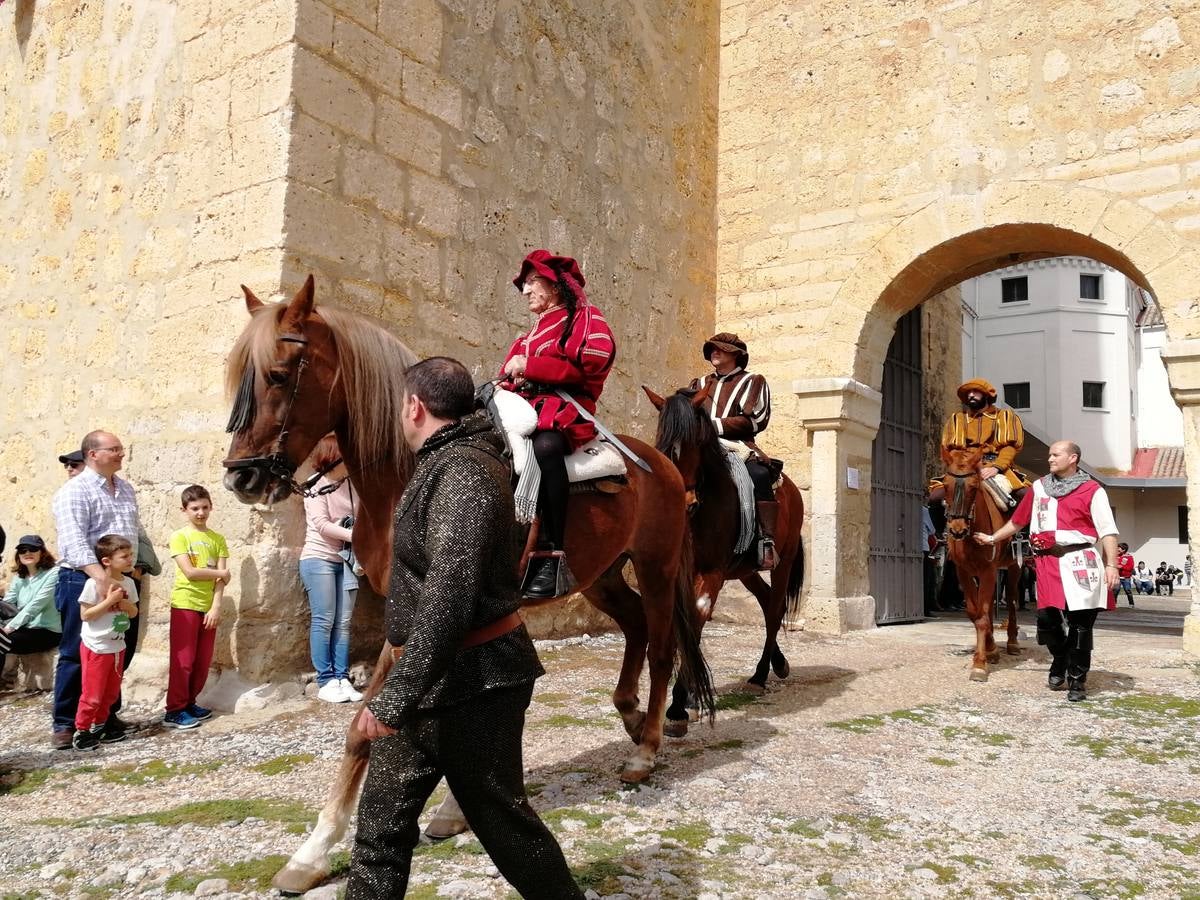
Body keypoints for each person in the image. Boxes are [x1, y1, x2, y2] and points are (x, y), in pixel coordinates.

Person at [348, 357, 582, 900]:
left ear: (415, 406)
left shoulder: (465, 472)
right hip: (431, 674)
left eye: (397, 408)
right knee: (380, 828)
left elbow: (450, 594)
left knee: (503, 824)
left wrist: (394, 695)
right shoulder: (439, 462)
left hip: (478, 680)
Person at [499, 249, 615, 600]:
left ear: (554, 286)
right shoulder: (527, 335)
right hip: (524, 407)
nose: (525, 291)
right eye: (526, 284)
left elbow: (584, 369)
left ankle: (551, 549)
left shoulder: (583, 321)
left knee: (546, 447)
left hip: (564, 409)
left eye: (532, 282)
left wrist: (529, 366)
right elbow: (508, 373)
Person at [974, 440, 1118, 702]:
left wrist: (1112, 565)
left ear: (1073, 458)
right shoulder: (1039, 487)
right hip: (1047, 563)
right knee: (1048, 622)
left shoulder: (1092, 490)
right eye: (1049, 454)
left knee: (1081, 625)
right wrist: (993, 538)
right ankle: (1061, 657)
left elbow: (1107, 530)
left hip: (1080, 560)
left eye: (1055, 455)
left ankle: (1077, 680)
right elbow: (1018, 521)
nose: (1050, 459)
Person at [50, 431, 141, 749]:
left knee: (118, 648)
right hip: (83, 579)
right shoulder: (75, 491)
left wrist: (134, 569)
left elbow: (132, 533)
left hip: (122, 580)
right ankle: (65, 722)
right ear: (92, 454)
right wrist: (101, 578)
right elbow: (73, 540)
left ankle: (104, 717)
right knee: (77, 653)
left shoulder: (126, 489)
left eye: (121, 448)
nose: (121, 454)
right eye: (114, 449)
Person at [690, 333, 779, 569]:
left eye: (720, 349)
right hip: (702, 445)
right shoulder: (698, 384)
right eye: (712, 349)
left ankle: (765, 541)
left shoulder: (753, 381)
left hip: (738, 445)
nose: (714, 352)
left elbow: (755, 421)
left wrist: (713, 426)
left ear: (736, 355)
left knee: (758, 476)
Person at [299, 435, 363, 704]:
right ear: (331, 458)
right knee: (324, 620)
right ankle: (325, 679)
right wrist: (358, 537)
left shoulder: (350, 484)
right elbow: (323, 525)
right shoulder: (314, 486)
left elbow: (360, 517)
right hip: (319, 559)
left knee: (344, 623)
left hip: (346, 561)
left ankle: (341, 677)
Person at [164, 485, 231, 729]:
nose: (200, 513)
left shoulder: (217, 539)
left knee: (202, 661)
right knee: (183, 660)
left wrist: (215, 607)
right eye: (194, 508)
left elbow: (221, 581)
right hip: (185, 604)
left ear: (211, 507)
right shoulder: (179, 536)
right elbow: (191, 572)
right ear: (185, 510)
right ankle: (174, 710)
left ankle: (190, 702)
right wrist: (221, 572)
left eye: (204, 507)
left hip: (207, 607)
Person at [73, 534, 139, 751]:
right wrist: (109, 601)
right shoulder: (93, 584)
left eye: (130, 555)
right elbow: (85, 615)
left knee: (111, 692)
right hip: (97, 647)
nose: (130, 559)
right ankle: (81, 731)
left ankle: (99, 728)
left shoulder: (129, 582)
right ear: (107, 561)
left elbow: (133, 612)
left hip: (117, 645)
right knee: (92, 694)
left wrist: (126, 605)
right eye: (124, 556)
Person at [929, 379, 1031, 507]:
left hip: (995, 465)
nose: (971, 395)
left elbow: (1009, 447)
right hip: (964, 468)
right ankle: (938, 528)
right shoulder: (957, 419)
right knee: (935, 498)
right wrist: (963, 467)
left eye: (975, 391)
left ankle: (1027, 527)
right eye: (969, 393)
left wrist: (996, 467)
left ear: (987, 395)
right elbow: (953, 450)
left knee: (1027, 496)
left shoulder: (1004, 416)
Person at [0, 536, 62, 678]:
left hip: (46, 631)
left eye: (33, 549)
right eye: (22, 550)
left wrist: (9, 628)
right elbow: (7, 605)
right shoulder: (20, 578)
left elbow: (35, 606)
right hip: (24, 629)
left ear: (42, 552)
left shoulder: (53, 573)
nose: (27, 553)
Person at [1116, 543, 1135, 607]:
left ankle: (1131, 604)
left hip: (1126, 578)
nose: (1117, 549)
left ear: (1123, 550)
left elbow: (1130, 567)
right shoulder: (1116, 556)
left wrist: (1122, 567)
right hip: (1118, 577)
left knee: (1128, 590)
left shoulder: (1129, 557)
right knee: (1116, 590)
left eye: (1119, 548)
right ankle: (1114, 603)